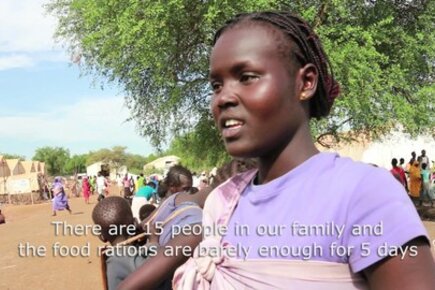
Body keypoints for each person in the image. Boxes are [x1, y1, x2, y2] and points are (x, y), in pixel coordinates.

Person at [173, 11, 435, 289]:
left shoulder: (363, 195)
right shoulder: (223, 202)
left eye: (247, 77)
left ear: (306, 83)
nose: (223, 98)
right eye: (216, 85)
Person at [118, 165, 202, 290]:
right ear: (173, 187)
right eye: (186, 189)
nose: (189, 193)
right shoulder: (167, 204)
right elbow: (146, 224)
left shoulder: (181, 206)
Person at [92, 196, 148, 290]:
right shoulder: (123, 258)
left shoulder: (115, 256)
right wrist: (154, 240)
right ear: (135, 223)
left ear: (101, 237)